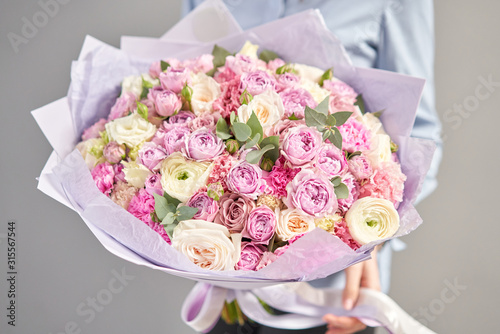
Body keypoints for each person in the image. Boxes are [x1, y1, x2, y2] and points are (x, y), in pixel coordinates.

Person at [181, 1, 442, 333]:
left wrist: (373, 237)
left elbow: (421, 134)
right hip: (221, 283)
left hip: (329, 296)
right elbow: (191, 84)